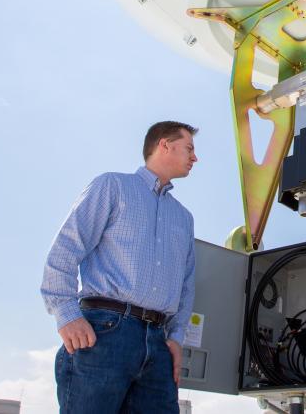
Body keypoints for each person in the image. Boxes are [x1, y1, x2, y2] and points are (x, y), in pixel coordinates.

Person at [41, 121, 198, 414]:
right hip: (104, 332)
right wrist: (65, 313)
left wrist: (176, 338)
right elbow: (66, 247)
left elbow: (186, 285)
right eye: (189, 148)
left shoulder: (184, 217)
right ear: (164, 144)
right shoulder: (112, 186)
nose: (194, 157)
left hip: (158, 342)